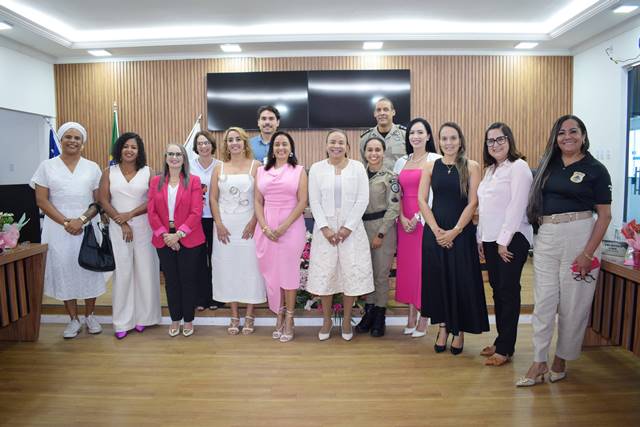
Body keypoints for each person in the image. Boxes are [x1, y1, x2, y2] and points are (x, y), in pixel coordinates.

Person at [517, 115, 612, 386]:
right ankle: (538, 361)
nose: (567, 136)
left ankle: (561, 358)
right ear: (555, 138)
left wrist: (588, 254)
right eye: (561, 132)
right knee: (544, 301)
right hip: (547, 235)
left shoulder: (596, 169)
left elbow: (604, 216)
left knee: (573, 304)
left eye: (573, 131)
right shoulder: (549, 165)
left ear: (583, 135)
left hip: (580, 235)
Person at [418, 122, 489, 355]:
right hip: (435, 233)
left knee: (461, 281)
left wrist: (455, 231)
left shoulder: (472, 166)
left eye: (453, 138)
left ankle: (459, 332)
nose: (448, 143)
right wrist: (437, 230)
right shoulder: (430, 166)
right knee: (438, 282)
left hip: (461, 233)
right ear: (438, 141)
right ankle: (443, 328)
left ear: (460, 140)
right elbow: (421, 201)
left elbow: (473, 203)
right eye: (444, 138)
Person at [30, 122, 106, 339]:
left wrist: (80, 220)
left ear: (83, 143)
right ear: (61, 140)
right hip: (58, 229)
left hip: (86, 228)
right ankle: (73, 319)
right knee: (64, 271)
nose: (72, 141)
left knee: (89, 269)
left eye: (77, 138)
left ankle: (90, 315)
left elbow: (98, 201)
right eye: (68, 137)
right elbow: (41, 200)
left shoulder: (92, 167)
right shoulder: (47, 166)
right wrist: (66, 222)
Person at [307, 129, 374, 341]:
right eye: (332, 142)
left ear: (347, 146)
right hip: (324, 230)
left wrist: (347, 228)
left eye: (341, 142)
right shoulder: (317, 169)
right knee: (325, 275)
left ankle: (346, 320)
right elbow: (314, 201)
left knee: (350, 275)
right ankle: (326, 320)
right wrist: (325, 228)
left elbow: (362, 200)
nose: (336, 146)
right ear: (326, 145)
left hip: (351, 230)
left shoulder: (357, 168)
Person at [476, 123, 533, 365]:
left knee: (508, 292)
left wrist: (503, 241)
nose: (495, 144)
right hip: (491, 239)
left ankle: (506, 349)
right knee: (498, 292)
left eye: (500, 139)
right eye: (490, 141)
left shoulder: (519, 168)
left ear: (509, 140)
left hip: (512, 239)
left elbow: (517, 206)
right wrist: (481, 237)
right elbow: (485, 208)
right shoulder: (490, 170)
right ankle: (501, 340)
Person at [98, 132, 161, 339]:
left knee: (145, 271)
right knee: (123, 273)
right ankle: (122, 321)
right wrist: (122, 220)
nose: (129, 150)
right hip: (118, 228)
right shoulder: (109, 171)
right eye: (126, 146)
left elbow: (153, 200)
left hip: (144, 226)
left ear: (139, 151)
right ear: (119, 149)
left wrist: (131, 215)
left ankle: (144, 317)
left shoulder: (148, 172)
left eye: (134, 147)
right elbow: (104, 200)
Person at [210, 127, 266, 335]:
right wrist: (218, 223)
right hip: (225, 227)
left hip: (248, 225)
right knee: (228, 269)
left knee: (250, 268)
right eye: (230, 140)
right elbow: (213, 198)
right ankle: (234, 315)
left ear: (244, 143)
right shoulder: (219, 168)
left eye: (237, 139)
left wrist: (254, 222)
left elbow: (260, 199)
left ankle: (250, 314)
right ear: (226, 144)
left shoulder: (256, 166)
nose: (234, 143)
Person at [254, 131, 308, 343]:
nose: (281, 148)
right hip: (266, 228)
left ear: (291, 148)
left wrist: (284, 226)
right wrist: (265, 226)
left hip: (291, 226)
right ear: (272, 148)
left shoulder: (299, 170)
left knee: (289, 273)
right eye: (277, 144)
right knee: (273, 274)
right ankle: (278, 314)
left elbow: (303, 201)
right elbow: (258, 201)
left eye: (284, 144)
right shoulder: (260, 171)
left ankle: (289, 319)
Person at [148, 143, 205, 337]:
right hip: (164, 238)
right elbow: (152, 211)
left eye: (178, 154)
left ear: (184, 158)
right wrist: (166, 235)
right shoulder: (156, 181)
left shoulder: (194, 181)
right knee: (171, 281)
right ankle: (175, 319)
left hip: (189, 238)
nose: (174, 157)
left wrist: (178, 235)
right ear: (165, 158)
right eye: (171, 154)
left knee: (188, 280)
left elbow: (196, 212)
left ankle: (188, 320)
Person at [393, 117, 442, 338]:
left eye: (420, 132)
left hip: (425, 220)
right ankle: (411, 314)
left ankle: (425, 316)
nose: (416, 136)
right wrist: (402, 216)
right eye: (412, 132)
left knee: (423, 268)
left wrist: (418, 217)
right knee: (408, 268)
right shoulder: (401, 161)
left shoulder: (436, 159)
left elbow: (436, 194)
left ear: (428, 136)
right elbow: (397, 193)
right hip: (404, 222)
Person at [355, 136, 399, 337]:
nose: (373, 154)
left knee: (381, 275)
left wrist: (381, 233)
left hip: (383, 229)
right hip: (361, 229)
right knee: (367, 274)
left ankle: (380, 317)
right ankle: (369, 313)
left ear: (383, 152)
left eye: (377, 150)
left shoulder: (390, 177)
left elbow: (394, 207)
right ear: (364, 153)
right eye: (369, 150)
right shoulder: (358, 175)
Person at [189, 130, 223, 311]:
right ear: (196, 147)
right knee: (199, 259)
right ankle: (201, 298)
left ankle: (217, 297)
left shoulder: (221, 165)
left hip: (217, 219)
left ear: (212, 145)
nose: (203, 146)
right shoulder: (189, 166)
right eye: (200, 143)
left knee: (217, 258)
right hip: (195, 220)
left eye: (206, 143)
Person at [359, 98, 406, 170]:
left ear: (393, 112)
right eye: (378, 110)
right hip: (375, 181)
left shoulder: (405, 135)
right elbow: (363, 165)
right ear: (375, 114)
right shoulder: (366, 138)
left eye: (386, 109)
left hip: (398, 180)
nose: (382, 113)